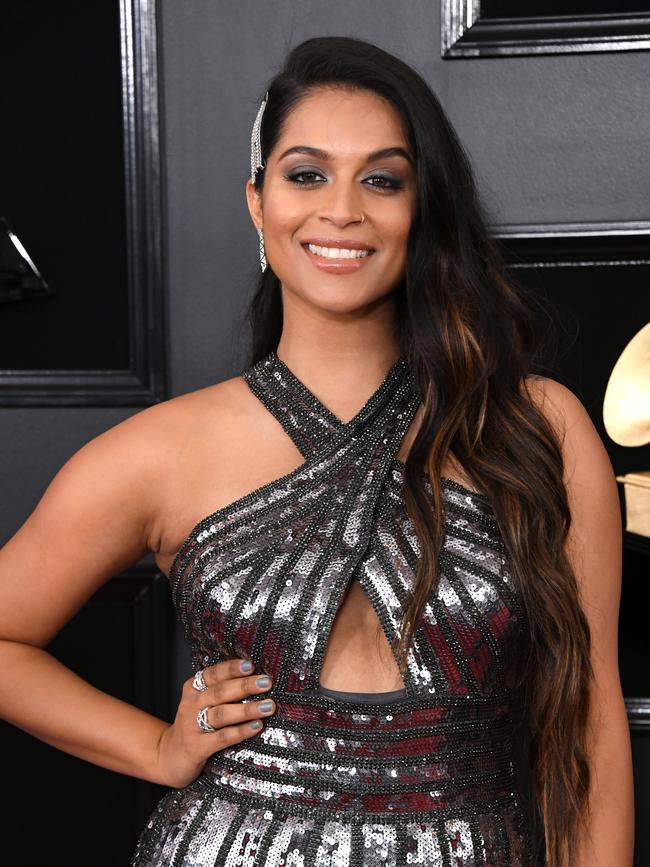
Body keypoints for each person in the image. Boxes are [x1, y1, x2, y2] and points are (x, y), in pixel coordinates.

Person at [0, 35, 633, 867]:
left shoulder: (534, 426)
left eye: (382, 179)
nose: (342, 209)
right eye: (306, 174)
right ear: (259, 204)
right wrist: (157, 748)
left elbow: (588, 717)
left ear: (424, 209)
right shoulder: (159, 451)